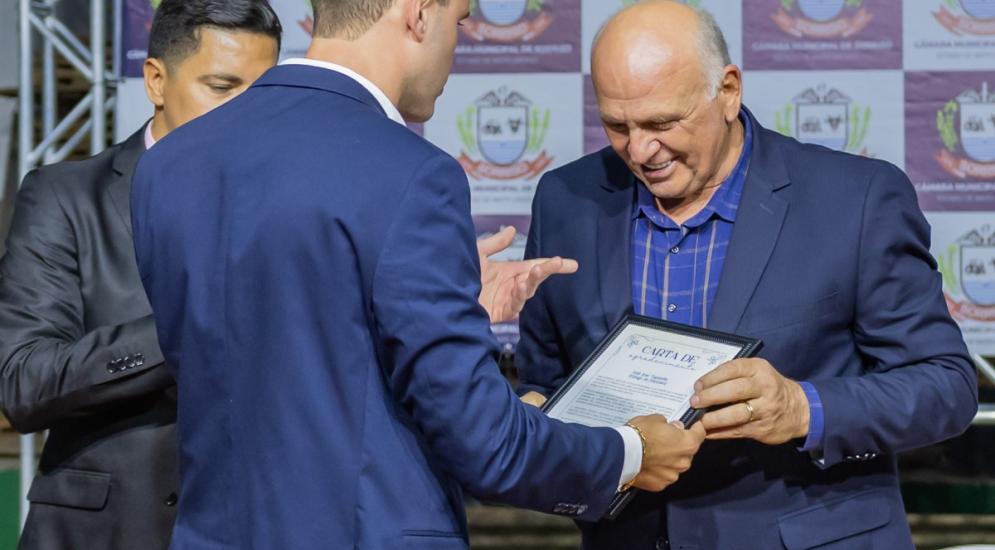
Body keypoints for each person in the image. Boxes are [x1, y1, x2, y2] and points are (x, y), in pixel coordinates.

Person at [129, 0, 708, 549]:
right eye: (459, 20)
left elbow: (285, 354)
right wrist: (632, 451)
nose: (457, 47)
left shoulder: (168, 164)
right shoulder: (410, 172)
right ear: (420, 13)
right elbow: (486, 443)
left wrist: (454, 307)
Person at [516, 2, 978, 549]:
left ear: (729, 90)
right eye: (618, 125)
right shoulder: (566, 199)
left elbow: (946, 385)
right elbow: (544, 379)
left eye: (663, 123)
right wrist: (532, 416)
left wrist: (802, 407)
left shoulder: (855, 199)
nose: (639, 150)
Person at [0, 2, 281, 548]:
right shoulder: (66, 197)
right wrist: (187, 324)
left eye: (261, 95)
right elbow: (25, 382)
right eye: (222, 88)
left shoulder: (294, 206)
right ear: (156, 81)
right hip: (100, 532)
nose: (245, 115)